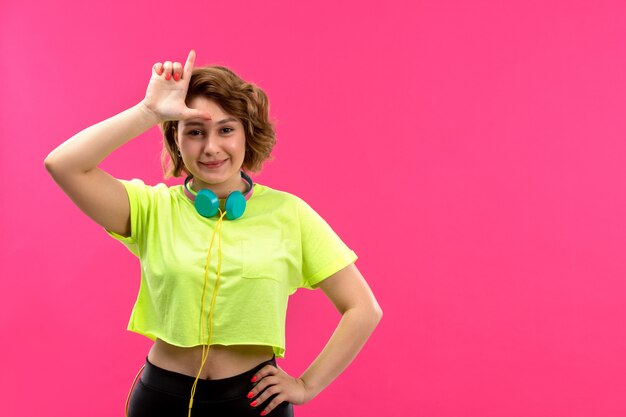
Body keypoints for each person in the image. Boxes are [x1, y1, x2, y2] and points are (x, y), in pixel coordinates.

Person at [44, 50, 382, 417]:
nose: (211, 148)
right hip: (162, 398)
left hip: (254, 401)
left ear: (246, 135)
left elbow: (363, 309)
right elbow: (63, 165)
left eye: (225, 129)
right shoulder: (151, 209)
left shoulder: (290, 214)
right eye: (194, 132)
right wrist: (150, 111)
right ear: (177, 141)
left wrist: (306, 386)